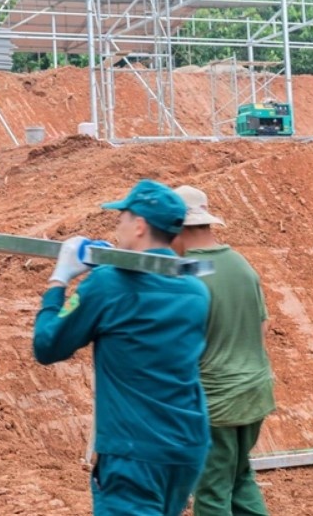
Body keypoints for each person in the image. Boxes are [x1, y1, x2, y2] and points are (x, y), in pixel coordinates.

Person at [33, 179, 211, 516]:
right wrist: (112, 271)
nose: (118, 226)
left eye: (123, 218)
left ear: (140, 225)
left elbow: (47, 345)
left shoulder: (108, 285)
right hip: (186, 446)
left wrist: (59, 280)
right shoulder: (195, 290)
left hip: (134, 452)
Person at [171, 185, 275, 516]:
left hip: (216, 401)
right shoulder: (241, 264)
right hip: (254, 394)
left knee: (212, 491)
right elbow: (262, 328)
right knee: (241, 477)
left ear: (176, 228)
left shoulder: (187, 274)